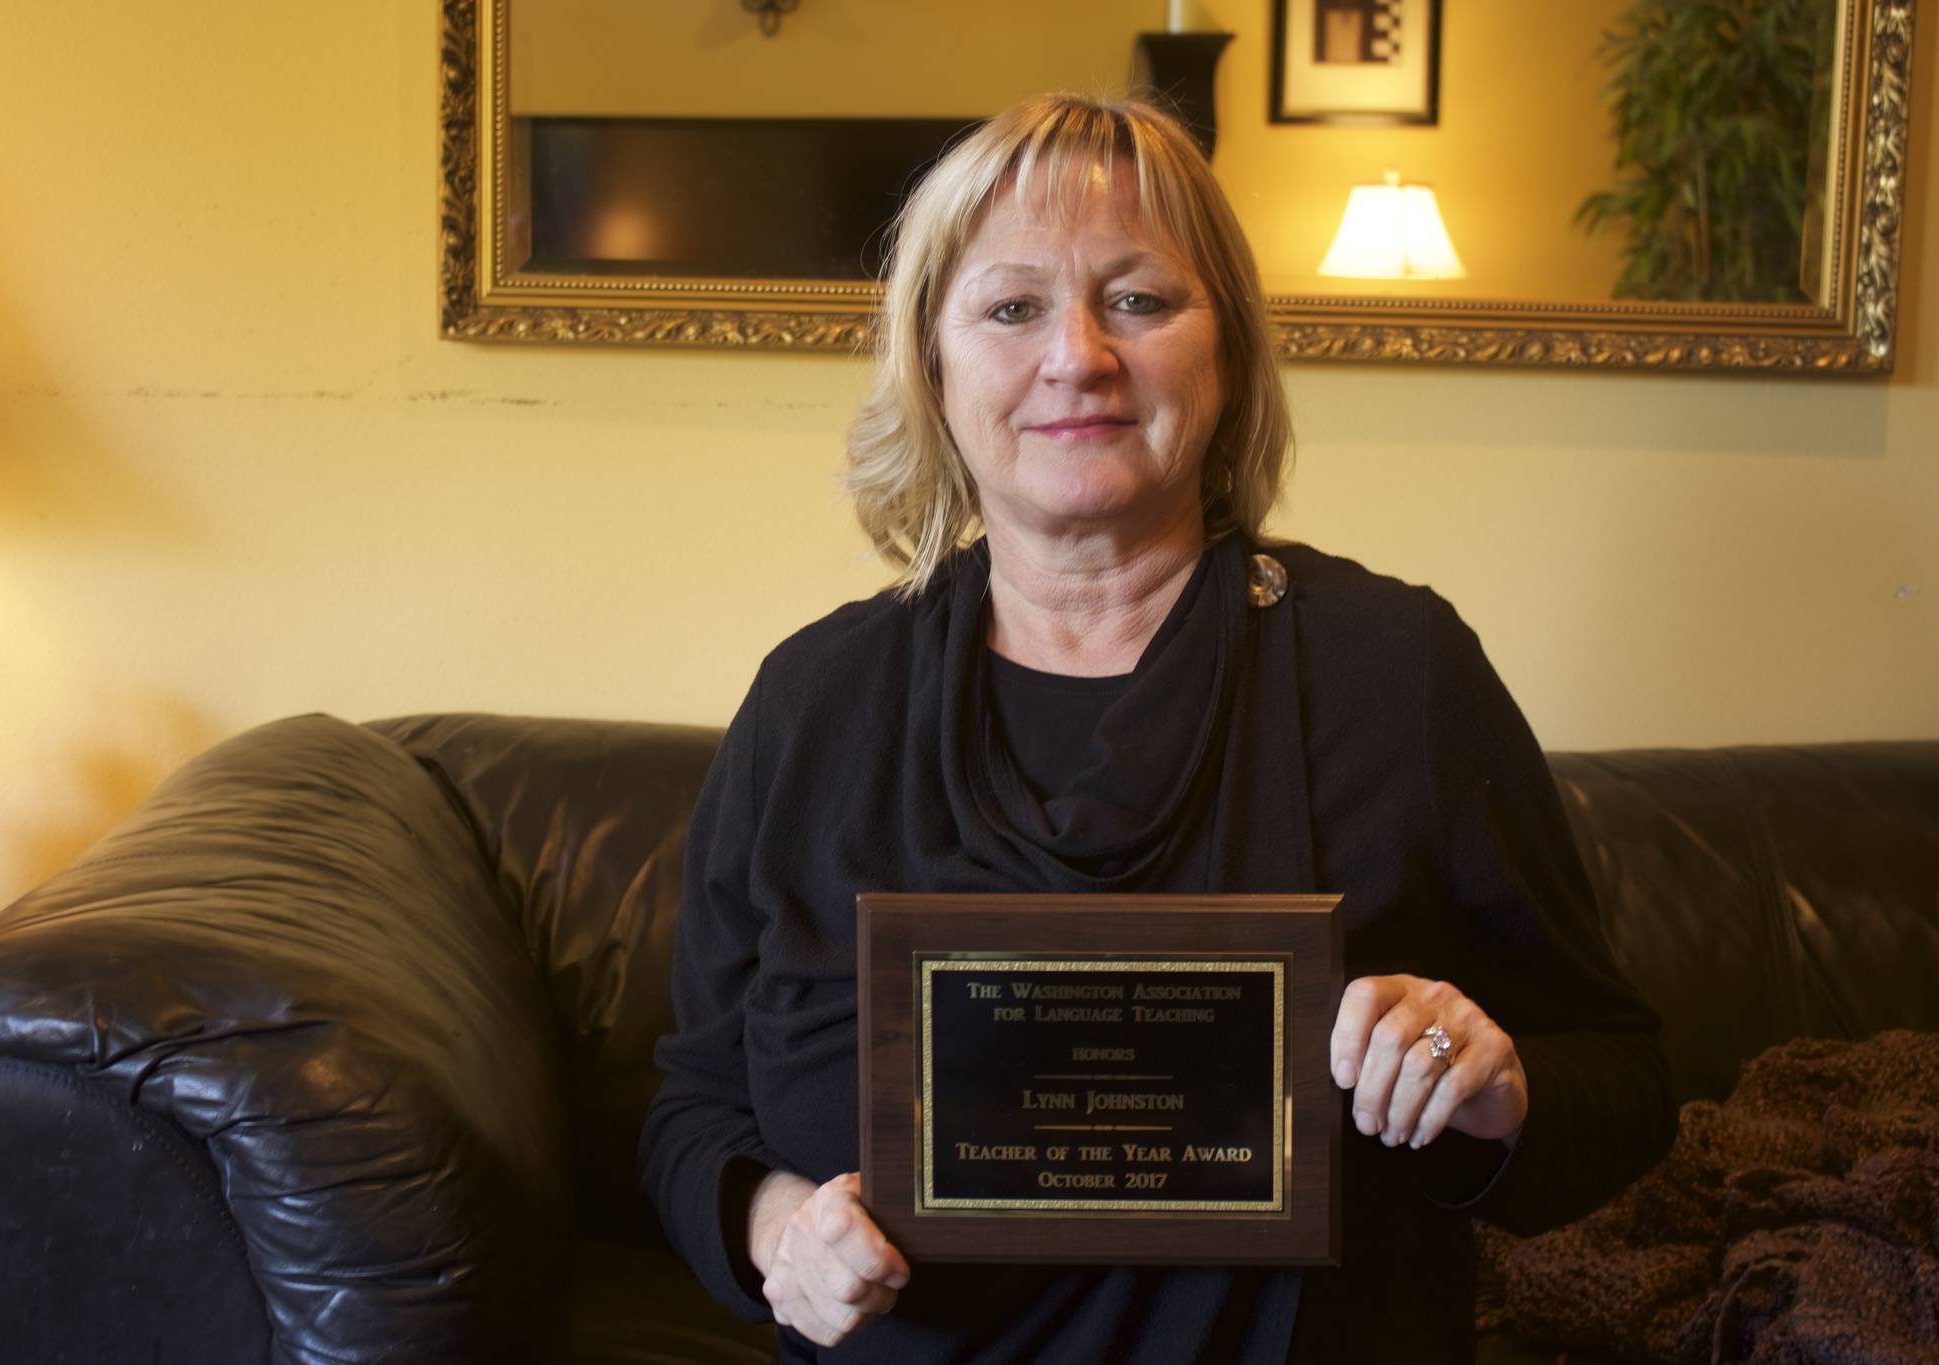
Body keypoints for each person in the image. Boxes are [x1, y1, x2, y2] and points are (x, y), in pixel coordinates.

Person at [639, 92, 1674, 1363]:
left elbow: (1619, 1087)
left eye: (1137, 299)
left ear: (1225, 350)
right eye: (1011, 308)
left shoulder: (1394, 671)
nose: (1077, 356)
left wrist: (1494, 1090)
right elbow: (690, 1106)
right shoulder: (812, 703)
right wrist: (772, 1225)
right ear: (933, 364)